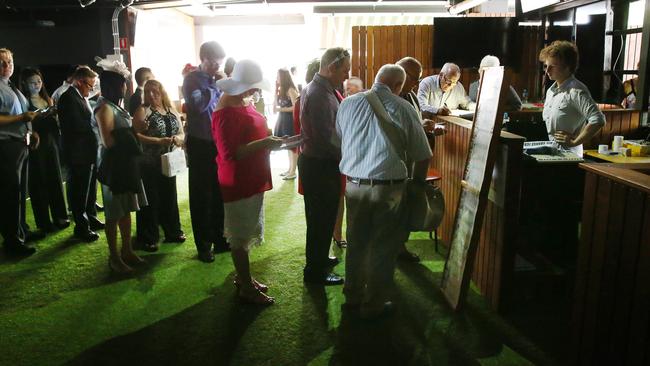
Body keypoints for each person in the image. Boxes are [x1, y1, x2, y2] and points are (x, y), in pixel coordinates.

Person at [336, 64, 432, 318]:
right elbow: (422, 155)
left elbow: (340, 140)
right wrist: (417, 187)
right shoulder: (404, 108)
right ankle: (374, 304)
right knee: (383, 247)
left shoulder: (347, 104)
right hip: (389, 190)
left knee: (356, 243)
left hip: (354, 186)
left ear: (376, 79)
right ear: (398, 86)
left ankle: (352, 297)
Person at [212, 59, 283, 305]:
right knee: (240, 236)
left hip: (251, 176)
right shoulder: (225, 111)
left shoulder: (241, 101)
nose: (254, 91)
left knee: (246, 229)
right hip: (238, 180)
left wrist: (267, 139)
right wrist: (265, 143)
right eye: (252, 87)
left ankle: (245, 279)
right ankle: (245, 286)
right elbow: (231, 152)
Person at [299, 47, 350, 286]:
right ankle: (315, 271)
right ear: (331, 68)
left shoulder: (321, 88)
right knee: (320, 220)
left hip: (320, 163)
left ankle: (319, 259)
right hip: (321, 164)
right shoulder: (319, 93)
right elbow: (325, 137)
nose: (346, 75)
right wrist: (348, 157)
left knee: (323, 218)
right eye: (345, 70)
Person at [94, 60, 147, 274]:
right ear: (115, 85)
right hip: (113, 166)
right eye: (123, 83)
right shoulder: (104, 107)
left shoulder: (116, 105)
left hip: (125, 164)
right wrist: (133, 132)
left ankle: (127, 250)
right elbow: (108, 141)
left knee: (126, 209)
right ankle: (114, 257)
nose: (126, 87)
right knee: (114, 213)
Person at [182, 41, 228, 263]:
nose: (216, 67)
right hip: (200, 143)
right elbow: (198, 106)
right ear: (203, 59)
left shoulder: (215, 79)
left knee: (219, 193)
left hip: (217, 142)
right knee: (202, 196)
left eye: (219, 63)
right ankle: (203, 245)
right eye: (212, 63)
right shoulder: (192, 80)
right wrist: (217, 86)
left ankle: (219, 238)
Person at [132, 79, 185, 252]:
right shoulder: (142, 110)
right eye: (147, 92)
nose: (151, 95)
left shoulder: (171, 109)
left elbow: (181, 132)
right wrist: (158, 141)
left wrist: (179, 139)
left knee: (169, 196)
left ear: (162, 92)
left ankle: (172, 231)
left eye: (155, 91)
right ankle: (148, 237)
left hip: (169, 161)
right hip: (149, 162)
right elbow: (136, 135)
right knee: (151, 199)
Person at [0, 48, 41, 256]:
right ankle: (12, 241)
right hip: (6, 145)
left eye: (9, 62)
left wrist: (31, 132)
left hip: (19, 143)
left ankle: (21, 230)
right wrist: (20, 120)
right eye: (2, 63)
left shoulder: (10, 86)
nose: (7, 67)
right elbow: (14, 117)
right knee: (10, 194)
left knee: (19, 192)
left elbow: (24, 114)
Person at [19, 68, 69, 233]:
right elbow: (24, 122)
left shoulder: (46, 98)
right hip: (35, 144)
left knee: (55, 178)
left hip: (51, 142)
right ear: (25, 84)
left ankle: (60, 216)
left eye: (39, 82)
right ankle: (43, 221)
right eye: (33, 82)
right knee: (38, 182)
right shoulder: (24, 101)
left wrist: (53, 113)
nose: (37, 85)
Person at [58, 66, 104, 242]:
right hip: (77, 153)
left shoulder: (80, 97)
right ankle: (82, 226)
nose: (91, 89)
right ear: (79, 81)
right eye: (89, 85)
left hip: (87, 151)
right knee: (79, 191)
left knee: (90, 189)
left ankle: (90, 218)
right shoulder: (68, 98)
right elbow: (75, 126)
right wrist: (96, 124)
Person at [539, 40, 605, 156]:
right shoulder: (551, 91)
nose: (547, 71)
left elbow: (598, 120)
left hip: (570, 156)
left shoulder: (576, 91)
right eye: (546, 66)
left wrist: (574, 142)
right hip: (552, 154)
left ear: (567, 67)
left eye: (553, 66)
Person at [273, 68, 299, 180]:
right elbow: (275, 106)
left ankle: (293, 171)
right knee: (288, 145)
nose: (277, 78)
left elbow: (295, 107)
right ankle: (290, 169)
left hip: (289, 120)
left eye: (278, 76)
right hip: (283, 119)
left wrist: (280, 110)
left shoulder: (290, 89)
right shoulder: (282, 89)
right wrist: (275, 91)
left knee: (292, 146)